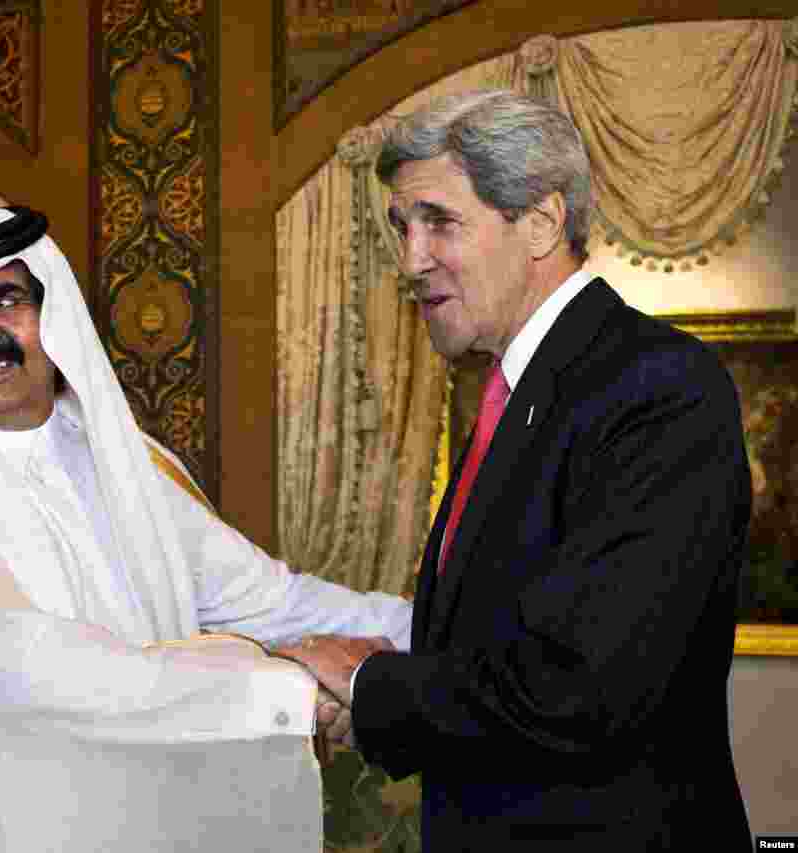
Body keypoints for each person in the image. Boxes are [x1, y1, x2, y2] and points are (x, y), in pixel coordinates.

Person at [0, 206, 411, 852]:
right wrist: (289, 687)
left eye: (4, 299)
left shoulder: (137, 465)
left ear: (55, 311)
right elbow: (17, 661)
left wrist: (444, 636)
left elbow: (276, 603)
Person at [279, 90, 753, 851]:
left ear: (539, 222)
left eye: (439, 221)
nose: (411, 260)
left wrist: (370, 688)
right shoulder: (522, 395)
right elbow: (501, 645)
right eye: (403, 228)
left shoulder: (657, 386)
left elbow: (580, 687)